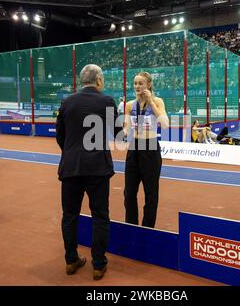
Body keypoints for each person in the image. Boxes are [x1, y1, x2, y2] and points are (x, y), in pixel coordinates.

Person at [56, 64, 121, 281]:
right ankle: (98, 265)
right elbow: (119, 134)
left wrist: (73, 152)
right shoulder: (107, 101)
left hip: (71, 167)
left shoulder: (67, 102)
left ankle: (71, 260)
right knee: (100, 216)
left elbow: (60, 138)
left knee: (70, 216)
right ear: (99, 81)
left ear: (81, 81)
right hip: (97, 169)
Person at [123, 72, 169, 228]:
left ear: (149, 84)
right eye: (135, 83)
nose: (137, 86)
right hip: (134, 148)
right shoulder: (129, 105)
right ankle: (131, 227)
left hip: (150, 148)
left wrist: (151, 102)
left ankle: (147, 229)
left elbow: (164, 124)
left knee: (151, 195)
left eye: (140, 83)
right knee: (129, 193)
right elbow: (126, 128)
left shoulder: (157, 101)